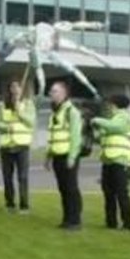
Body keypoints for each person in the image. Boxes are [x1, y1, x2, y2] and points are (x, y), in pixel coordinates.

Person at [92, 94, 130, 231]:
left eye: (110, 103)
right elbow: (100, 136)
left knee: (121, 193)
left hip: (120, 159)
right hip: (108, 159)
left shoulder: (125, 118)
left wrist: (97, 120)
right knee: (108, 193)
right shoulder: (111, 119)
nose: (108, 106)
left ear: (115, 104)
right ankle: (111, 222)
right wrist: (93, 127)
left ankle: (128, 224)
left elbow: (115, 127)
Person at [45, 80, 84, 230]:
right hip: (57, 155)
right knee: (63, 188)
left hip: (68, 155)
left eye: (54, 91)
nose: (51, 94)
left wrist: (72, 157)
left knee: (71, 188)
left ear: (64, 93)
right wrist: (48, 156)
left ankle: (75, 220)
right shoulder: (55, 112)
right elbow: (53, 136)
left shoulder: (71, 112)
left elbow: (76, 136)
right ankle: (67, 219)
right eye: (51, 91)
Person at [0, 79, 35, 213]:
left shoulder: (28, 104)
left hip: (22, 145)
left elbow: (31, 122)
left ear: (22, 89)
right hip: (6, 146)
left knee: (23, 177)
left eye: (18, 87)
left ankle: (24, 205)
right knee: (7, 177)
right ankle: (9, 203)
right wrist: (6, 127)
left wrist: (20, 112)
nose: (15, 89)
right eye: (13, 86)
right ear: (9, 89)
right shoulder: (1, 105)